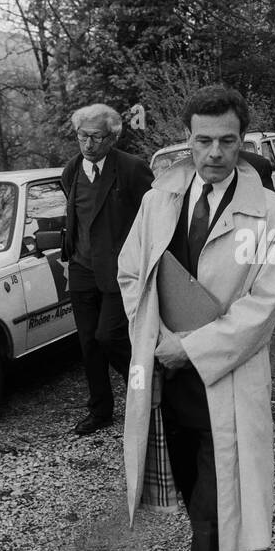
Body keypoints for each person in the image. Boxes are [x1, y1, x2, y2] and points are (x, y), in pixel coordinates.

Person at [117, 83, 275, 551]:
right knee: (199, 501)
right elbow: (129, 272)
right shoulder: (157, 201)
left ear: (242, 141)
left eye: (227, 141)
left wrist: (187, 347)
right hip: (168, 387)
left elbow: (262, 310)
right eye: (203, 140)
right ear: (187, 139)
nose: (214, 152)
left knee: (212, 518)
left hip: (225, 380)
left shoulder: (270, 212)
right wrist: (151, 338)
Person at [59, 103, 154, 436]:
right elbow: (76, 215)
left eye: (96, 137)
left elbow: (153, 217)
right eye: (82, 136)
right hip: (82, 268)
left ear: (113, 137)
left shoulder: (131, 169)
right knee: (88, 343)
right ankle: (100, 410)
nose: (88, 144)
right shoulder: (71, 171)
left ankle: (146, 393)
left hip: (120, 269)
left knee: (109, 335)